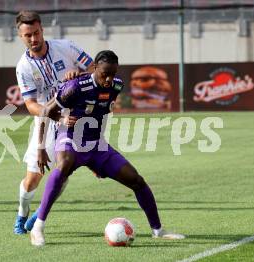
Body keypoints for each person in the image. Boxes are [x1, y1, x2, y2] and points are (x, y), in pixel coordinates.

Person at [30, 50, 185, 246]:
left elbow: (101, 114)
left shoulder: (117, 85)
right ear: (94, 67)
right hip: (70, 138)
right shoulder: (76, 87)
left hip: (97, 144)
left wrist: (96, 163)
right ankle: (38, 228)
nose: (108, 79)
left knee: (136, 180)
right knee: (64, 165)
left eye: (113, 74)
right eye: (104, 74)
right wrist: (41, 148)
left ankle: (158, 230)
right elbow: (45, 111)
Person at [13, 10, 94, 234]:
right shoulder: (23, 67)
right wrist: (55, 115)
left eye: (36, 33)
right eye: (28, 35)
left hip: (75, 118)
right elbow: (30, 105)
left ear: (42, 30)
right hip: (46, 122)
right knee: (32, 179)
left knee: (63, 170)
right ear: (20, 36)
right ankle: (22, 213)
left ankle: (41, 212)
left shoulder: (66, 47)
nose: (33, 39)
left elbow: (95, 69)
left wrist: (79, 73)